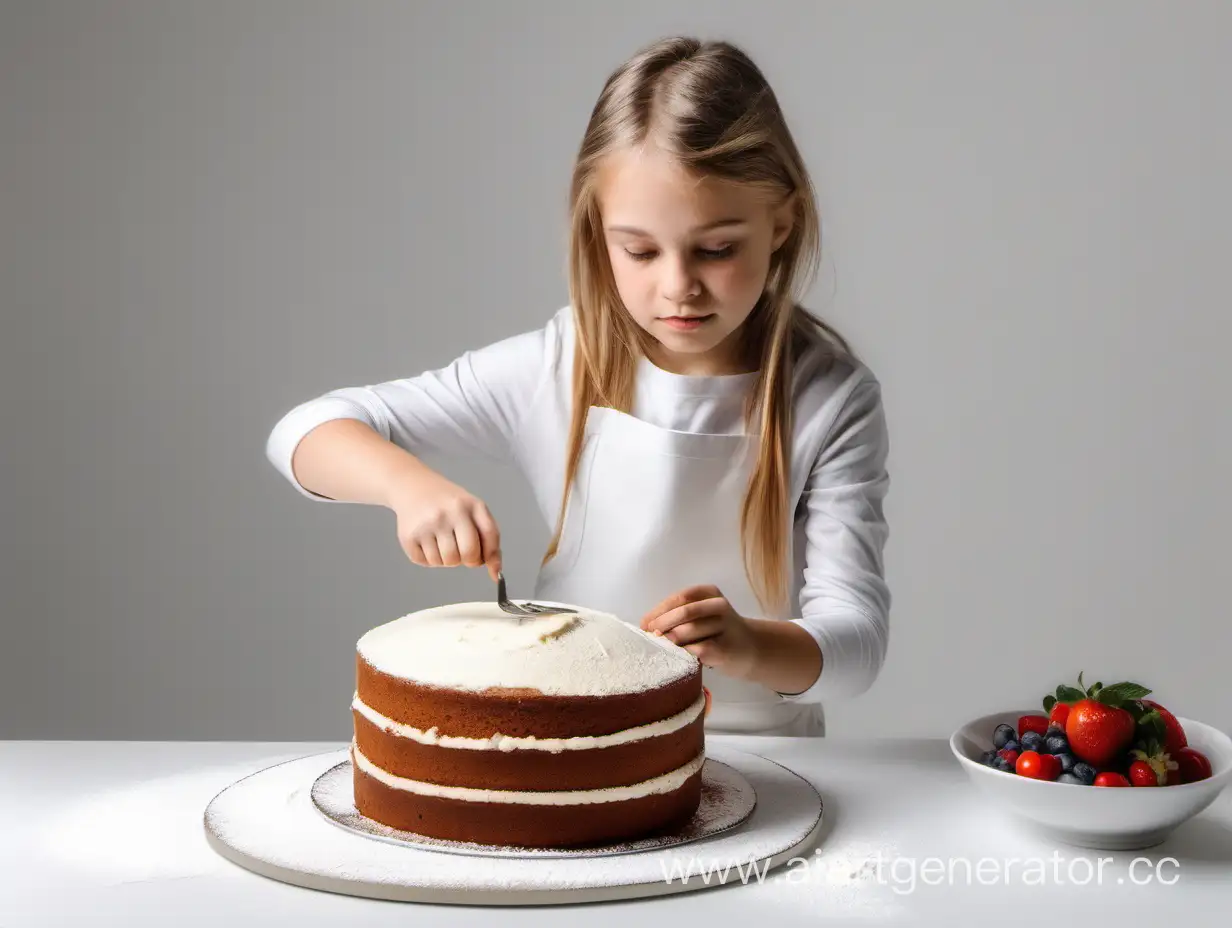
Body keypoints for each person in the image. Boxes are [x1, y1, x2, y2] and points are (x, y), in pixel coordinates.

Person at [266, 36, 891, 737]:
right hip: (566, 747)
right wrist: (407, 487)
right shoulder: (558, 366)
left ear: (782, 222)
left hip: (764, 762)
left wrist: (747, 645)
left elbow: (857, 646)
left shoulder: (829, 399)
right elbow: (304, 430)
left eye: (716, 249)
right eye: (640, 250)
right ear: (599, 232)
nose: (678, 285)